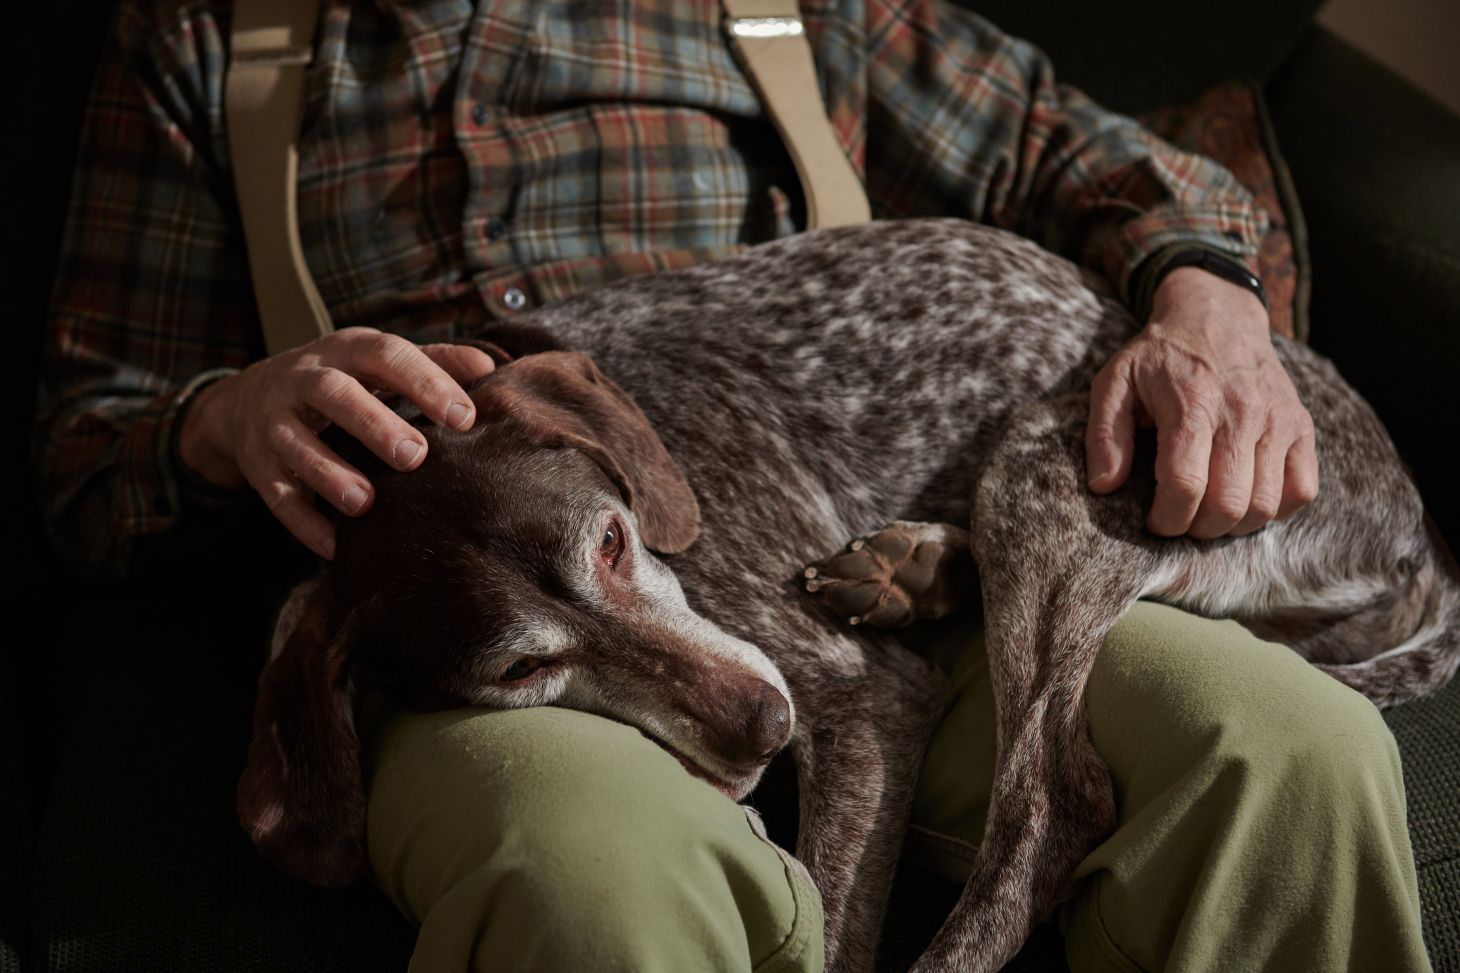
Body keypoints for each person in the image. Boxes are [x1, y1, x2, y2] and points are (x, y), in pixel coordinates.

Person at [32, 1, 1431, 971]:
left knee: (1283, 750)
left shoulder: (774, 2)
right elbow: (87, 454)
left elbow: (1087, 148)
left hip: (858, 556)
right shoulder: (210, 44)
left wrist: (1211, 309)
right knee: (595, 876)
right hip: (483, 636)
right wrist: (227, 415)